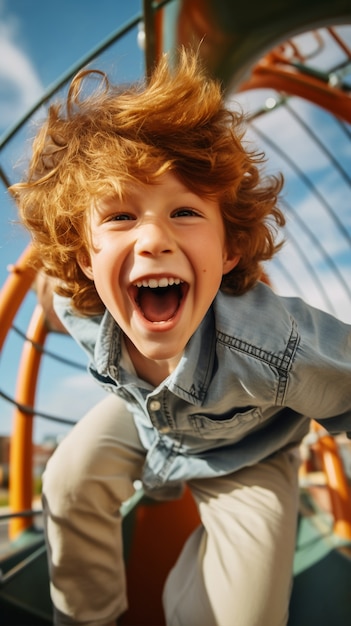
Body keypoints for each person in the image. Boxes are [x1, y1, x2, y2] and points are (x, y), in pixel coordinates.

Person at [10, 49, 351, 626]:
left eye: (186, 213)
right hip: (140, 415)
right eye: (119, 217)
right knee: (69, 479)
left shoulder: (272, 344)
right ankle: (87, 617)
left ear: (227, 250)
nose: (153, 240)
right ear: (85, 257)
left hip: (247, 450)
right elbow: (50, 285)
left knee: (245, 615)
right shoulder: (77, 301)